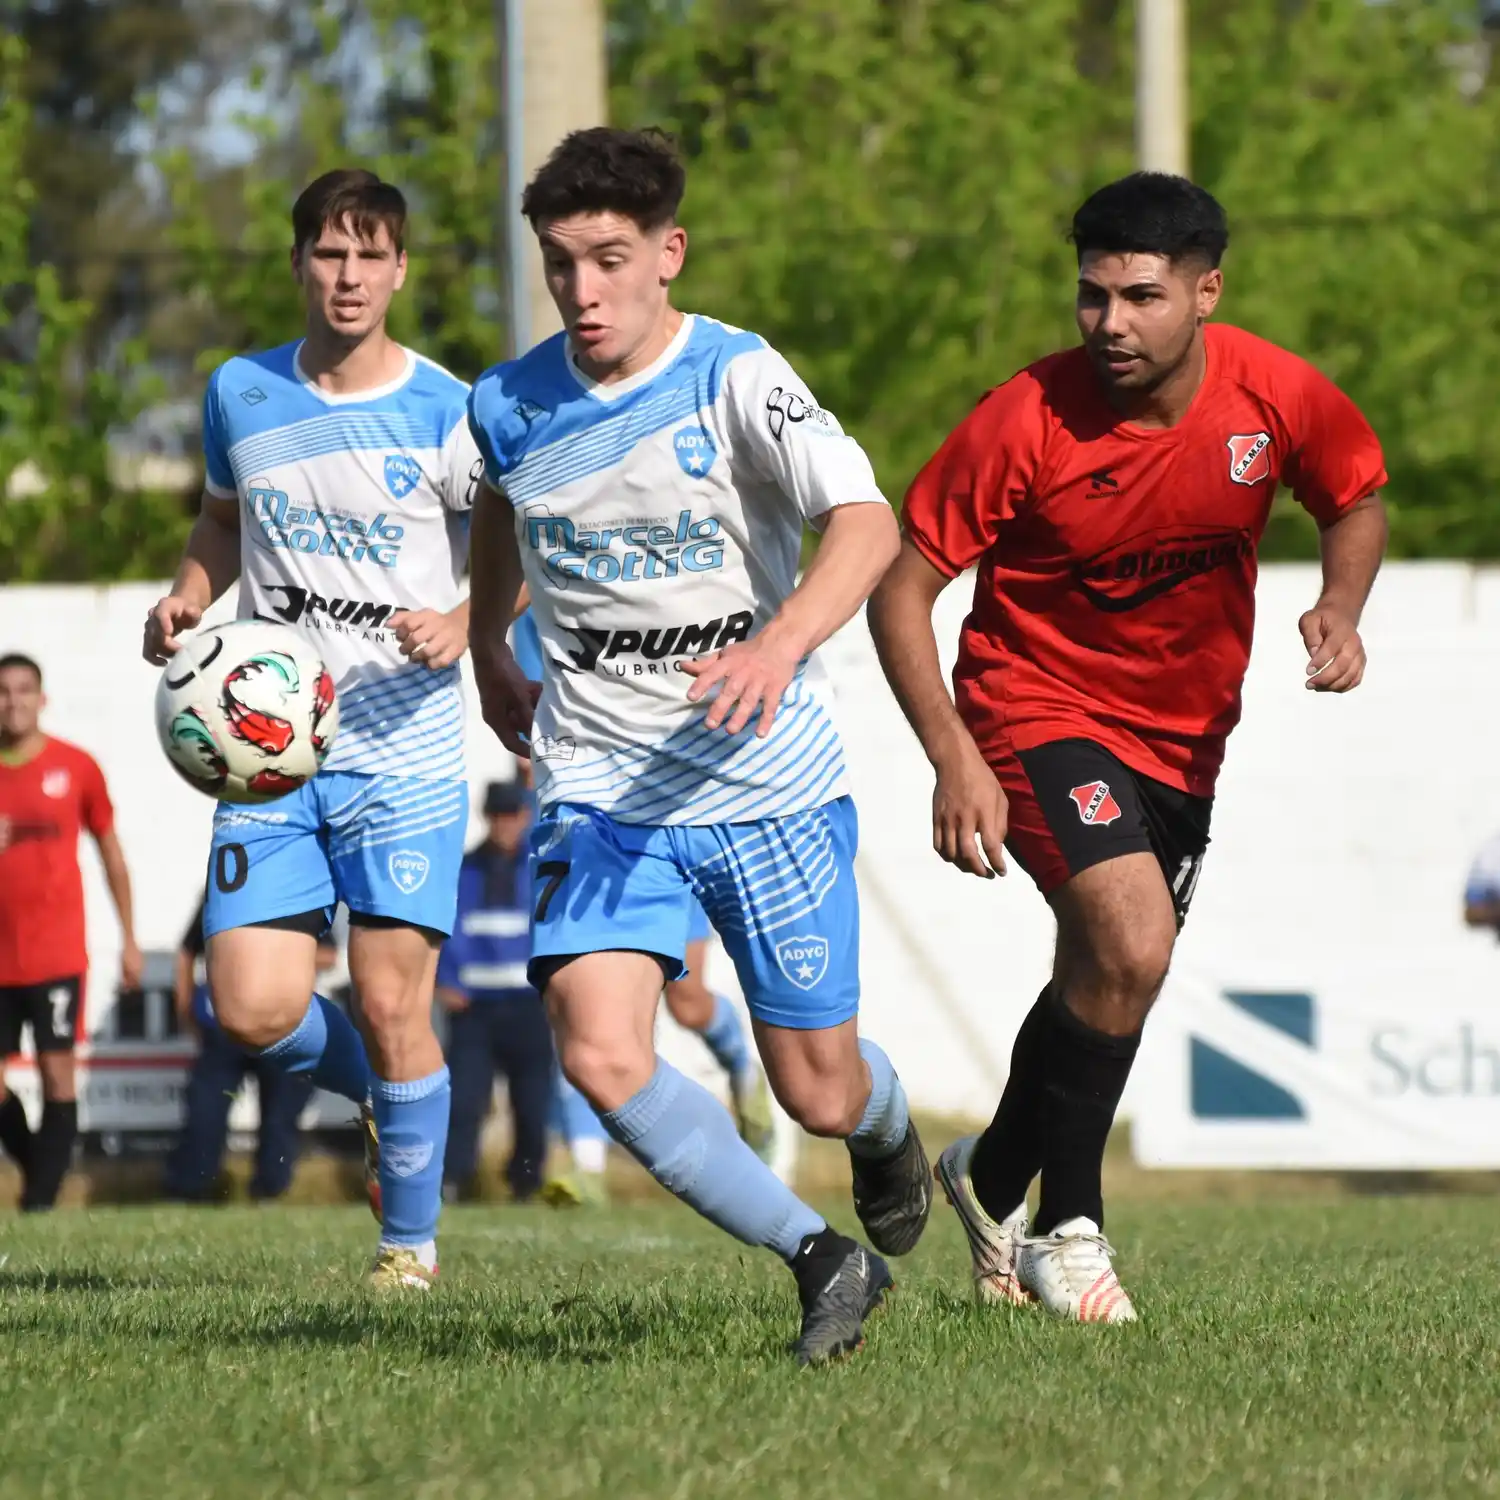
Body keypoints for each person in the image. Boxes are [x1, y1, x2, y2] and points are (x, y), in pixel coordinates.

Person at [867, 172, 1388, 1323]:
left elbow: (1354, 496)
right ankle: (1070, 1228)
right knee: (1132, 937)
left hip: (1185, 738)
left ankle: (989, 1174)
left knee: (1116, 972)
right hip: (1032, 705)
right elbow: (902, 591)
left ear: (1207, 292)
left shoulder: (1275, 396)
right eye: (1093, 297)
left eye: (1141, 297)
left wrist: (1341, 608)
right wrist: (954, 753)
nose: (1110, 324)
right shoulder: (1025, 417)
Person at [466, 126, 928, 1366]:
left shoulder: (738, 376)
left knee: (817, 1092)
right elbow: (499, 509)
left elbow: (868, 524)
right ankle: (821, 1256)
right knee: (603, 1052)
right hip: (600, 781)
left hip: (762, 777)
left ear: (668, 254)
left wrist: (777, 646)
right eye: (561, 264)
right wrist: (486, 647)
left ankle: (882, 1132)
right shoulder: (506, 402)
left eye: (611, 259)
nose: (584, 290)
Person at [141, 168, 481, 1291]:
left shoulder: (449, 409)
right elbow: (221, 519)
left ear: (399, 270)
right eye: (329, 254)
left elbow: (517, 548)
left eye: (370, 255)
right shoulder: (240, 392)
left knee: (392, 999)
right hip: (268, 749)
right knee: (247, 1005)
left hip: (406, 747)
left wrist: (467, 617)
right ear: (297, 265)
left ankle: (407, 1252)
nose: (349, 276)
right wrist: (192, 592)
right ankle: (395, 1097)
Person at [512, 587, 775, 1160]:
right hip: (591, 823)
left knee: (687, 1001)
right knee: (576, 995)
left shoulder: (667, 564)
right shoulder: (537, 601)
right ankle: (583, 1167)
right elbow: (530, 716)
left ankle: (741, 1069)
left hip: (684, 808)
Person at [0, 652, 142, 1211]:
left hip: (55, 956)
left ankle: (37, 1204)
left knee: (59, 1081)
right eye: (3, 691)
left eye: (22, 690)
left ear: (42, 698)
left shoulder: (75, 766)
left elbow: (111, 852)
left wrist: (129, 937)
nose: (12, 702)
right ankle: (42, 1177)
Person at [164, 895, 333, 1202]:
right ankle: (190, 1190)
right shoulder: (225, 890)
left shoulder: (301, 894)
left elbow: (328, 955)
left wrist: (273, 953)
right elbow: (188, 951)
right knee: (206, 1112)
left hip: (282, 1026)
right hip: (225, 1028)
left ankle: (269, 1192)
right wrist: (185, 1007)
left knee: (279, 1116)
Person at [437, 779, 557, 1203]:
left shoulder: (541, 869)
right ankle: (453, 1182)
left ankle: (526, 1183)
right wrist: (444, 982)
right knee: (464, 1101)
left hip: (528, 1006)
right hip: (474, 1008)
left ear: (525, 817)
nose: (505, 825)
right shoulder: (464, 870)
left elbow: (554, 930)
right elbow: (444, 930)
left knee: (532, 1103)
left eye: (513, 815)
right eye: (498, 816)